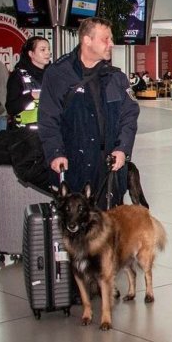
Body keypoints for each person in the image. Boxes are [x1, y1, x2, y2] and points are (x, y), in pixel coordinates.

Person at [37, 17, 139, 206]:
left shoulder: (115, 77)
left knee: (109, 222)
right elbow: (48, 119)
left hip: (107, 168)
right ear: (87, 40)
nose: (111, 44)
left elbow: (129, 115)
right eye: (106, 39)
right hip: (73, 167)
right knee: (78, 222)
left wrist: (122, 148)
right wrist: (55, 152)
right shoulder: (59, 74)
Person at [6, 36, 51, 129]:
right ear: (31, 53)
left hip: (50, 131)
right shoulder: (18, 76)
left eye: (48, 49)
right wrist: (31, 96)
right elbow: (11, 108)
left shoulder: (53, 74)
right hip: (25, 133)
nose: (48, 53)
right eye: (43, 50)